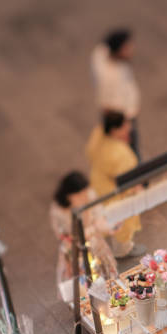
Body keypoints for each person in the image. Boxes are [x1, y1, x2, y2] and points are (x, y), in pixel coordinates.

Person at [50, 171, 116, 302]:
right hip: (74, 248)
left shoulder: (89, 195)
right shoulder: (58, 210)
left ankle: (109, 296)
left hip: (94, 242)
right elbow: (61, 234)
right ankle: (85, 304)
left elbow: (99, 217)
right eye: (79, 194)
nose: (84, 196)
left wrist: (109, 227)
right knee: (81, 282)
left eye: (85, 192)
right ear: (69, 196)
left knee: (105, 273)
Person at [86, 111, 145, 258]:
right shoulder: (120, 153)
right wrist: (138, 189)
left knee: (106, 217)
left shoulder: (98, 133)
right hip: (116, 194)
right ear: (114, 130)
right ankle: (123, 250)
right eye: (124, 126)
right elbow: (128, 181)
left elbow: (89, 152)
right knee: (122, 224)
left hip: (98, 182)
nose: (129, 128)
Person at [91, 28, 141, 161]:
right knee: (131, 154)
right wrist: (124, 123)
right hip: (122, 118)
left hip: (122, 118)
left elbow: (100, 49)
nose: (131, 51)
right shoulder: (109, 78)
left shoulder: (100, 55)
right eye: (126, 48)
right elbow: (108, 106)